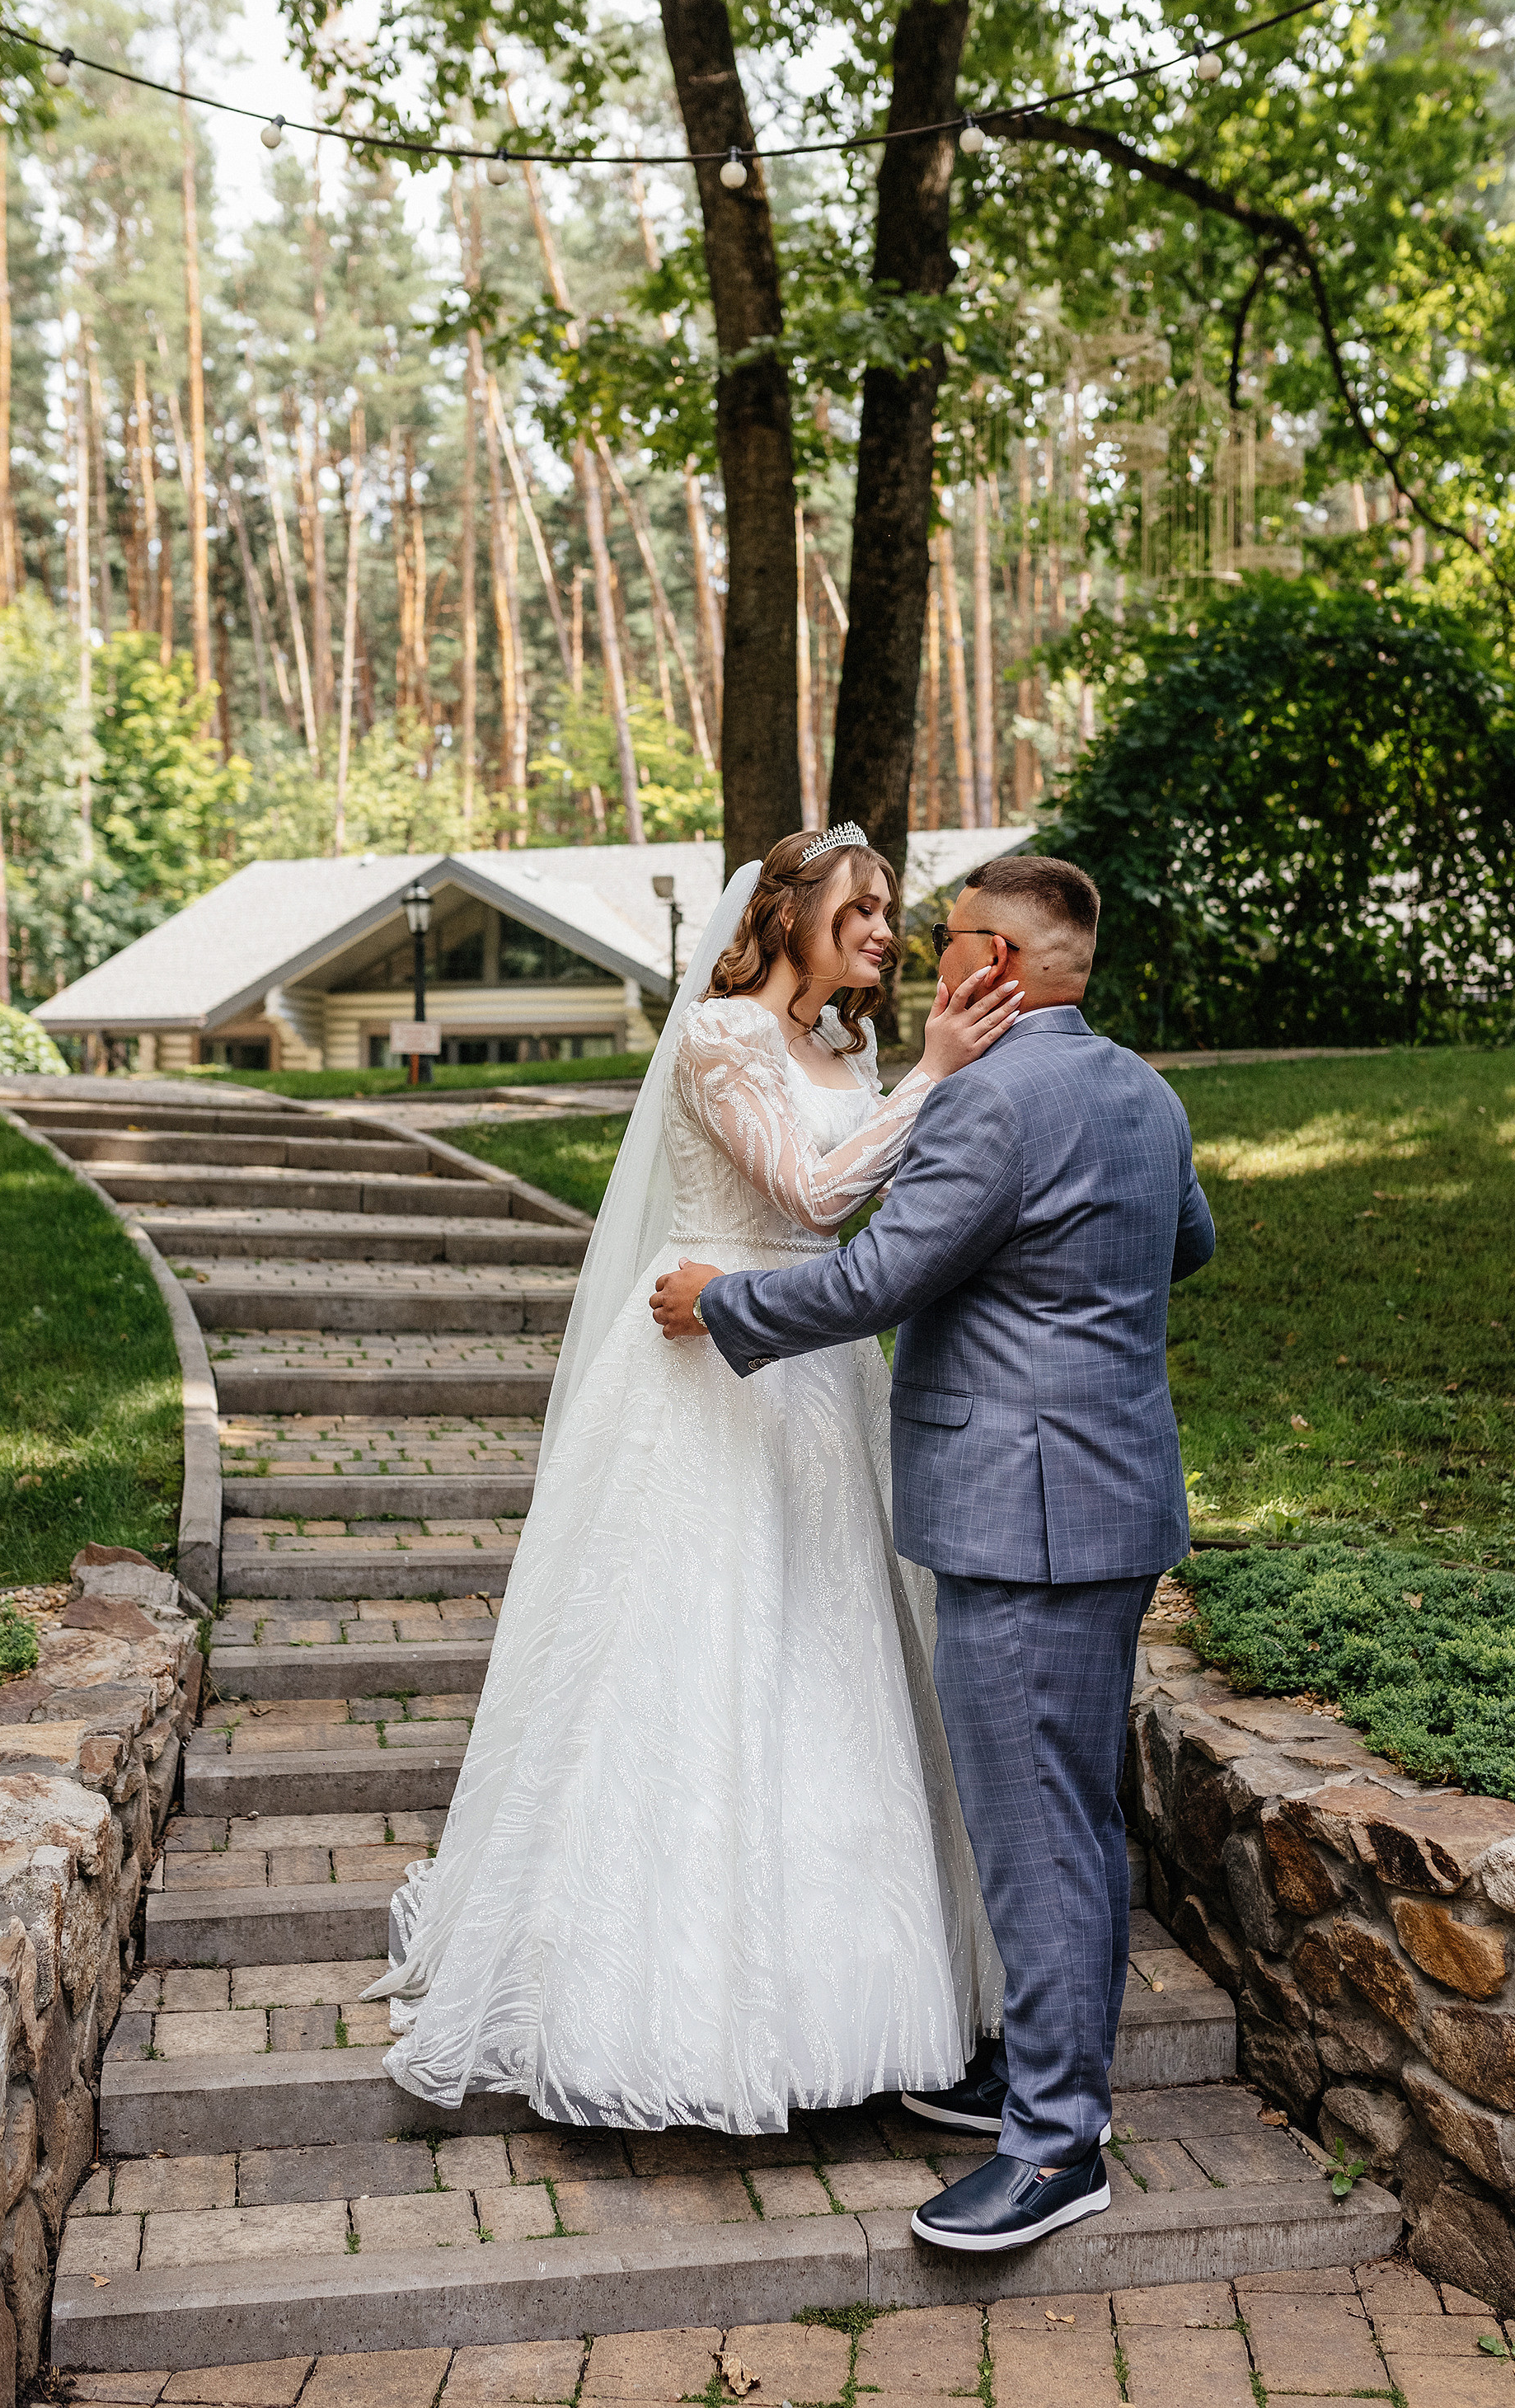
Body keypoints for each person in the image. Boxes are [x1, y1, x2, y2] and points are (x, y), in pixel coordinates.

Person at [364, 824, 1017, 2133]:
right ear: (787, 913)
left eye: (894, 907)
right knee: (689, 1666)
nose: (887, 928)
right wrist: (940, 1074)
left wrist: (919, 1077)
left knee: (831, 1664)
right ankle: (645, 2002)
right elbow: (819, 1193)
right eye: (863, 905)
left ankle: (864, 2000)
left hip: (819, 1383)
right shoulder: (723, 1037)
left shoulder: (846, 1048)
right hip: (702, 1381)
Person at [653, 852, 1216, 2251]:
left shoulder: (989, 1097)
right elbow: (1181, 1245)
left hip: (1019, 1515)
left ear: (1001, 966)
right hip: (1115, 1493)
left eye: (950, 936)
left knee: (1035, 1829)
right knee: (1073, 1812)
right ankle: (1040, 2075)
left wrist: (728, 1299)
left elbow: (876, 1279)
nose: (922, 951)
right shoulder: (1143, 1091)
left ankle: (1054, 2150)